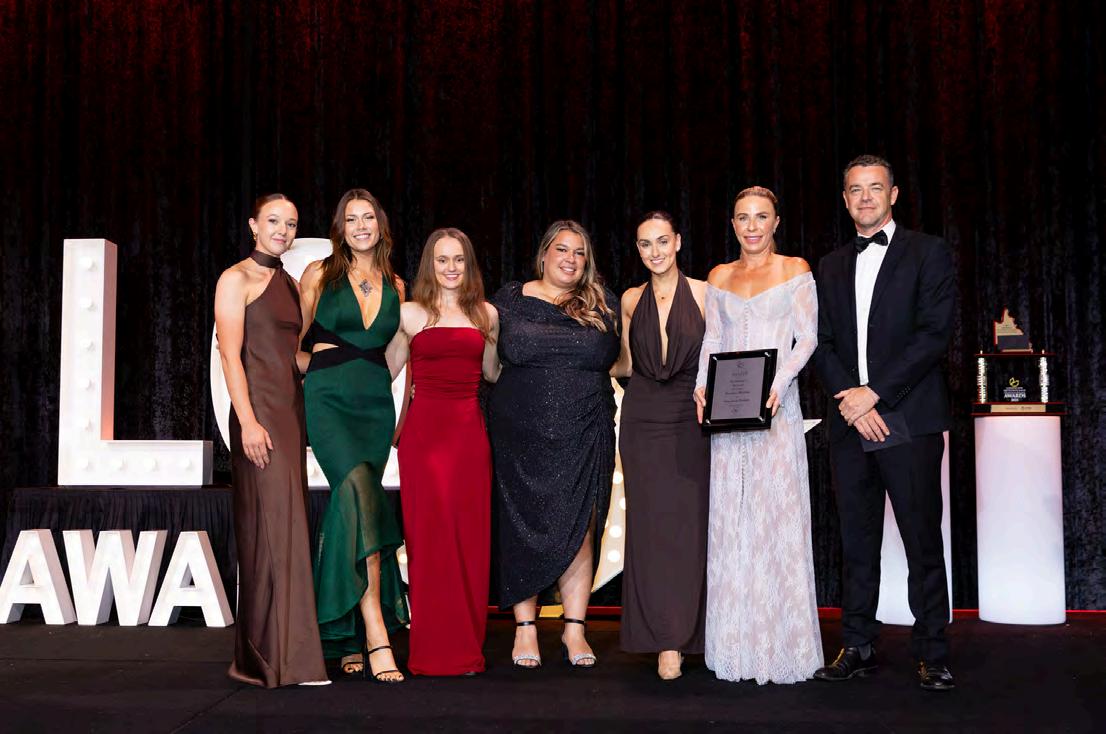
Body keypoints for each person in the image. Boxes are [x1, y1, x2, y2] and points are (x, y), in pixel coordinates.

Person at [811, 155, 956, 692]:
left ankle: (932, 652)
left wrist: (874, 395)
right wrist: (852, 402)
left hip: (908, 416)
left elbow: (934, 334)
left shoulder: (928, 252)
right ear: (845, 199)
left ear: (893, 194)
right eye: (856, 189)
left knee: (922, 539)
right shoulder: (829, 265)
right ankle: (858, 645)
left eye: (875, 188)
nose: (866, 197)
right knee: (856, 540)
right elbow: (820, 342)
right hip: (849, 421)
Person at [692, 186, 822, 684]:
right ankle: (735, 645)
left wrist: (779, 383)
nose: (752, 226)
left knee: (775, 519)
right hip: (729, 416)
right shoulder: (719, 276)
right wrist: (702, 386)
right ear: (732, 223)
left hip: (775, 410)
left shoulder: (795, 270)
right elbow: (713, 339)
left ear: (776, 222)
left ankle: (780, 646)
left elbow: (808, 338)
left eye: (761, 217)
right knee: (734, 519)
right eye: (743, 217)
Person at [488, 220, 620, 669]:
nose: (570, 259)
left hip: (585, 427)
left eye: (579, 252)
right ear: (544, 254)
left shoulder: (603, 301)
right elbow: (486, 358)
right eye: (562, 249)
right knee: (520, 523)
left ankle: (574, 628)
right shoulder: (509, 299)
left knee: (581, 525)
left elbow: (623, 362)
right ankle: (525, 627)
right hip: (518, 430)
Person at [214, 193, 329, 688]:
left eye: (291, 224)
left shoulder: (289, 283)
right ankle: (273, 659)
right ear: (253, 225)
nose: (283, 230)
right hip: (258, 417)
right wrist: (248, 422)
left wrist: (343, 361)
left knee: (287, 528)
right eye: (274, 221)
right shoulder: (235, 279)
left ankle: (279, 655)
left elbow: (291, 358)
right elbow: (231, 356)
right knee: (269, 531)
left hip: (289, 415)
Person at [298, 188, 409, 683]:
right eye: (351, 219)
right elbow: (290, 340)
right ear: (339, 228)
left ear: (381, 225)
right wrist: (319, 369)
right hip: (329, 403)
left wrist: (380, 388)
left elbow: (395, 355)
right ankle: (376, 632)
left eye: (368, 217)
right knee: (360, 495)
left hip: (374, 406)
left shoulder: (397, 284)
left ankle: (345, 636)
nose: (361, 226)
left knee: (355, 509)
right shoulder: (319, 274)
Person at [391, 228, 500, 676]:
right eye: (442, 260)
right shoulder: (409, 313)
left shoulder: (487, 314)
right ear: (429, 265)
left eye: (458, 260)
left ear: (469, 265)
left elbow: (492, 373)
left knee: (469, 540)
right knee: (430, 540)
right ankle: (432, 650)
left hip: (469, 438)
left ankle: (465, 647)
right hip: (424, 439)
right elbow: (384, 369)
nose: (451, 268)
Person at [612, 211, 709, 681]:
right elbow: (624, 364)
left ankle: (688, 634)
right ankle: (663, 641)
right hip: (642, 418)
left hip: (691, 416)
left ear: (678, 242)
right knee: (649, 530)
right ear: (638, 249)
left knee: (688, 528)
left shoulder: (707, 292)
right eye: (646, 244)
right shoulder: (631, 299)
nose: (655, 251)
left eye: (663, 241)